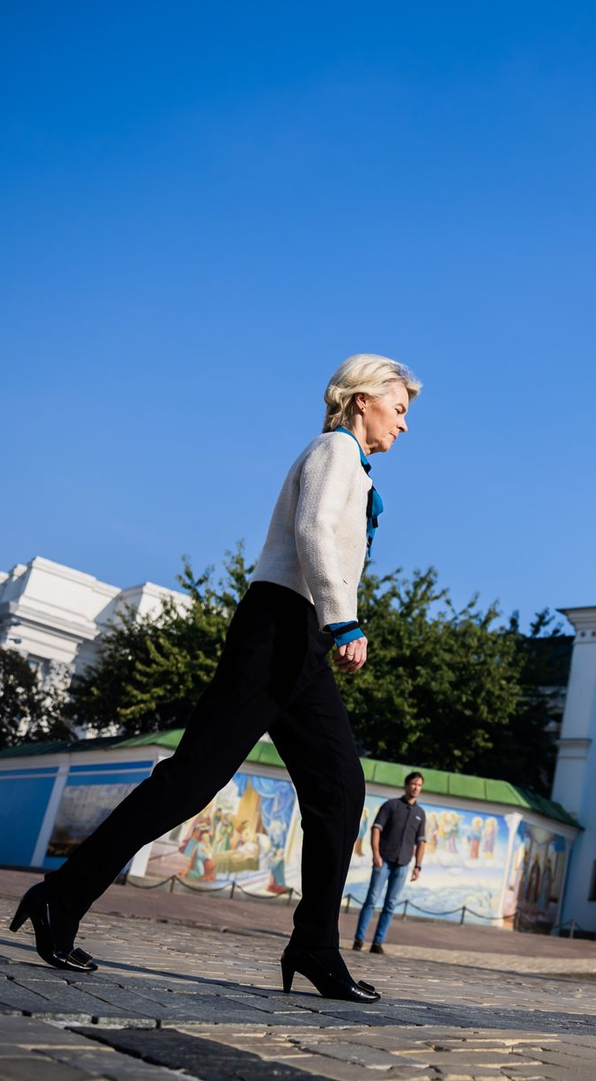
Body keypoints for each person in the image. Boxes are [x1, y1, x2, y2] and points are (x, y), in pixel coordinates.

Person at [9, 354, 420, 1004]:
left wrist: (328, 627)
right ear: (362, 396)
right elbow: (312, 529)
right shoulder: (334, 449)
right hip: (281, 626)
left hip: (303, 638)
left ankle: (314, 944)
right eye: (399, 407)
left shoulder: (352, 463)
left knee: (340, 787)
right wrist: (345, 622)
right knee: (191, 780)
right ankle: (60, 894)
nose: (404, 423)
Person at [353, 772, 427, 953]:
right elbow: (376, 829)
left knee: (390, 904)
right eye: (413, 784)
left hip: (402, 864)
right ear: (406, 785)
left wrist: (418, 866)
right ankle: (359, 940)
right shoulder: (391, 805)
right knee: (371, 900)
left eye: (419, 785)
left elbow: (421, 842)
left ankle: (377, 943)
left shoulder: (420, 813)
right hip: (383, 861)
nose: (416, 788)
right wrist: (376, 854)